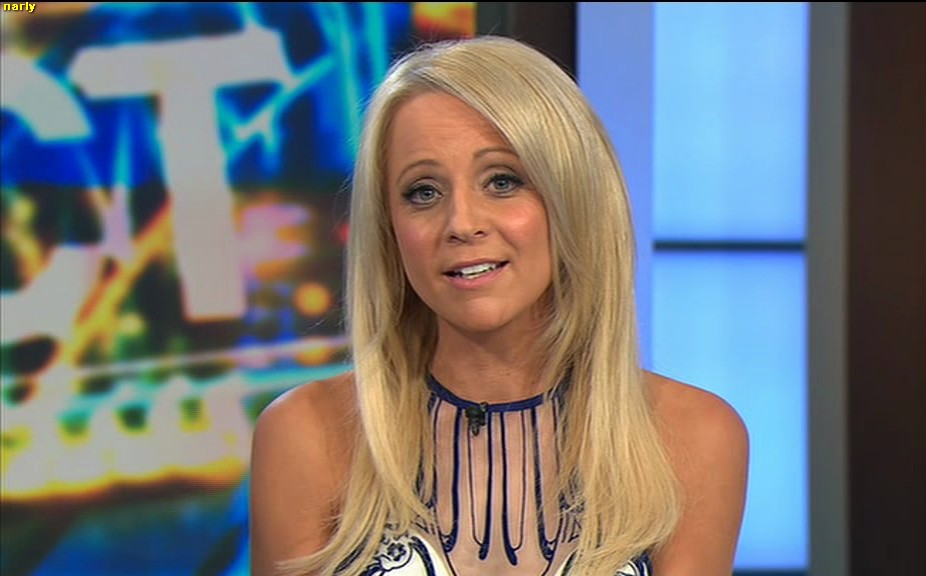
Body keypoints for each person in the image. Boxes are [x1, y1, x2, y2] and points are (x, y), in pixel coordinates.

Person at [249, 35, 749, 576]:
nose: (462, 223)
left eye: (503, 181)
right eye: (423, 192)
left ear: (573, 198)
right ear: (388, 228)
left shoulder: (693, 436)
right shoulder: (308, 433)